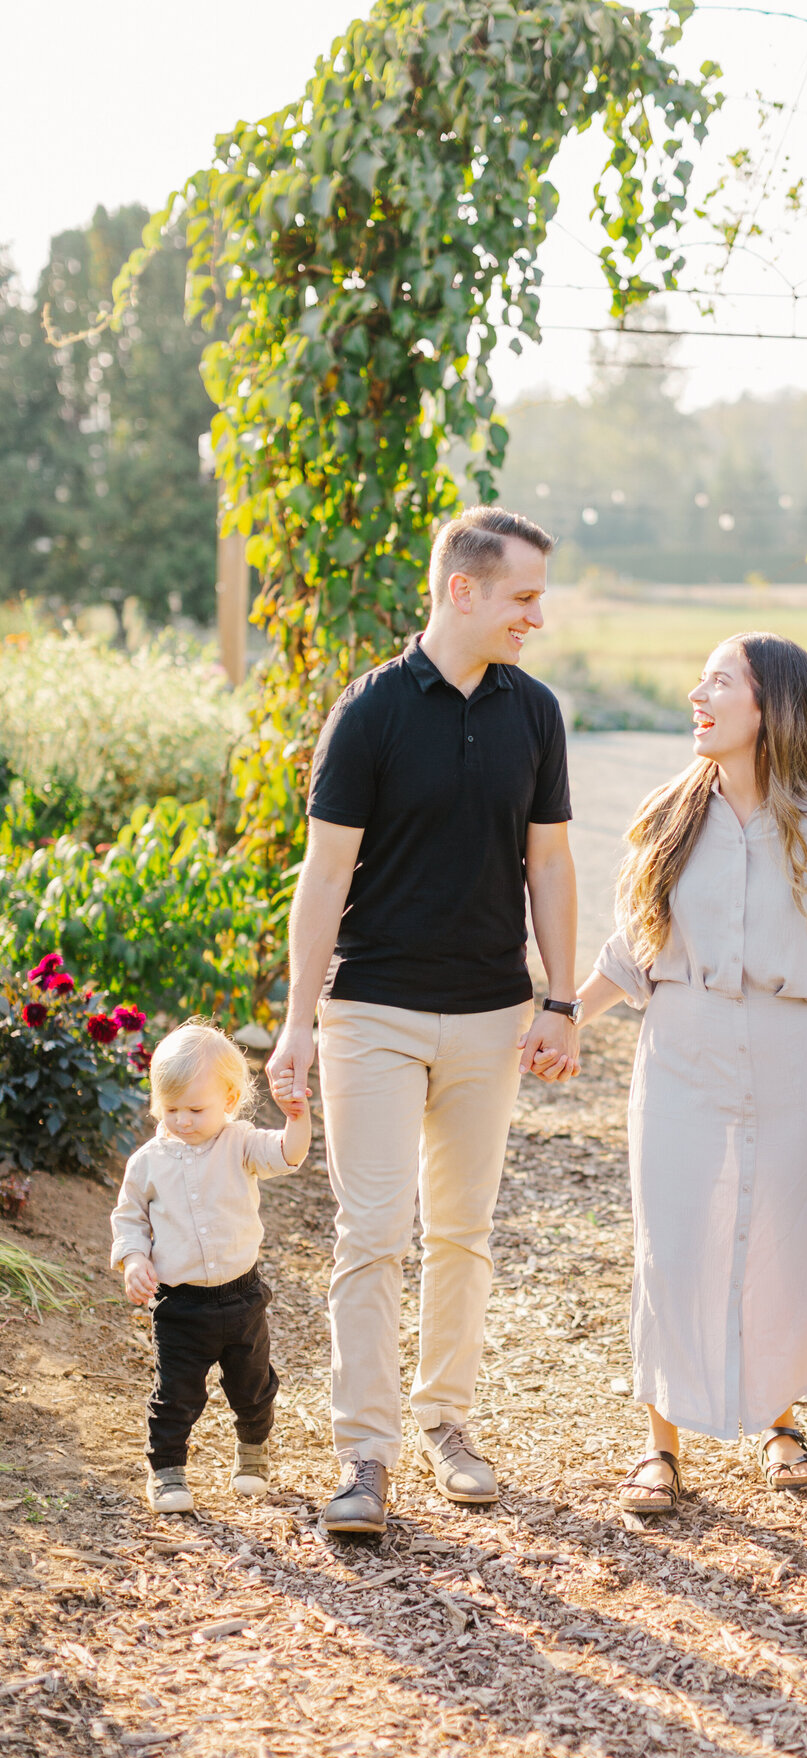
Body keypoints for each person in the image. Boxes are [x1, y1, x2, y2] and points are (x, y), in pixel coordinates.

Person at [266, 506, 580, 1534]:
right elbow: (324, 879)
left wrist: (563, 998)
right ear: (464, 591)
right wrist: (298, 1022)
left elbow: (552, 863)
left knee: (463, 1233)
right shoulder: (369, 714)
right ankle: (364, 1457)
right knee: (370, 1233)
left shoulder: (535, 713)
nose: (537, 616)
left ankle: (447, 1425)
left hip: (490, 1016)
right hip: (375, 1014)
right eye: (524, 597)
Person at [576, 633, 807, 1512]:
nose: (697, 695)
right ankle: (660, 1445)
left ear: (770, 708)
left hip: (795, 1052)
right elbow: (632, 952)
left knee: (782, 1238)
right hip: (681, 1047)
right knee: (673, 1237)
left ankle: (781, 1424)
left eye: (718, 682)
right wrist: (565, 1018)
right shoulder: (669, 815)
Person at [110, 1022, 311, 1514]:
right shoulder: (148, 1162)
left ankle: (252, 1453)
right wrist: (134, 1257)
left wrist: (297, 1118)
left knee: (253, 1385)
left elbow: (288, 1154)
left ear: (229, 1096)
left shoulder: (240, 1142)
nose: (181, 1120)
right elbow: (129, 1217)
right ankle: (168, 1472)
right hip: (180, 1305)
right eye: (170, 1108)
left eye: (195, 1109)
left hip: (242, 1297)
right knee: (175, 1393)